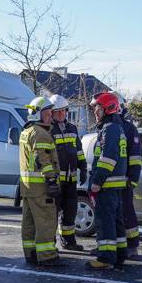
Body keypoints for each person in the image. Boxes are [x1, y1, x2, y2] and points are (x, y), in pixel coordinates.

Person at [86, 92, 128, 270]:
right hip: (115, 185)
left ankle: (105, 258)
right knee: (116, 222)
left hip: (107, 184)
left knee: (105, 222)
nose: (95, 111)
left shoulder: (109, 129)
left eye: (98, 107)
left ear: (108, 108)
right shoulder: (116, 128)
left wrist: (96, 181)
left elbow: (107, 158)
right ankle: (118, 255)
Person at [19, 96, 62, 266]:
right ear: (38, 114)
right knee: (46, 221)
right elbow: (42, 160)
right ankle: (47, 256)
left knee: (29, 223)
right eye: (48, 113)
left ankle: (31, 254)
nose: (51, 116)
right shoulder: (40, 134)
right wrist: (52, 181)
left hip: (28, 188)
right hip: (41, 188)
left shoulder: (26, 132)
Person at [48, 94, 87, 251]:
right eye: (57, 111)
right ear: (51, 112)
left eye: (63, 111)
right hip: (56, 180)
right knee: (52, 213)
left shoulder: (72, 128)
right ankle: (50, 244)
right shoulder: (48, 130)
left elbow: (78, 150)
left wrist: (83, 167)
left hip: (71, 180)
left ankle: (69, 241)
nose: (61, 114)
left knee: (70, 211)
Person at [120, 101, 142, 258]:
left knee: (127, 212)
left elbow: (136, 158)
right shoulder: (107, 127)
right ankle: (116, 246)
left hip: (125, 181)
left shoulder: (129, 129)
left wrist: (132, 180)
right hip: (111, 182)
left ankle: (132, 245)